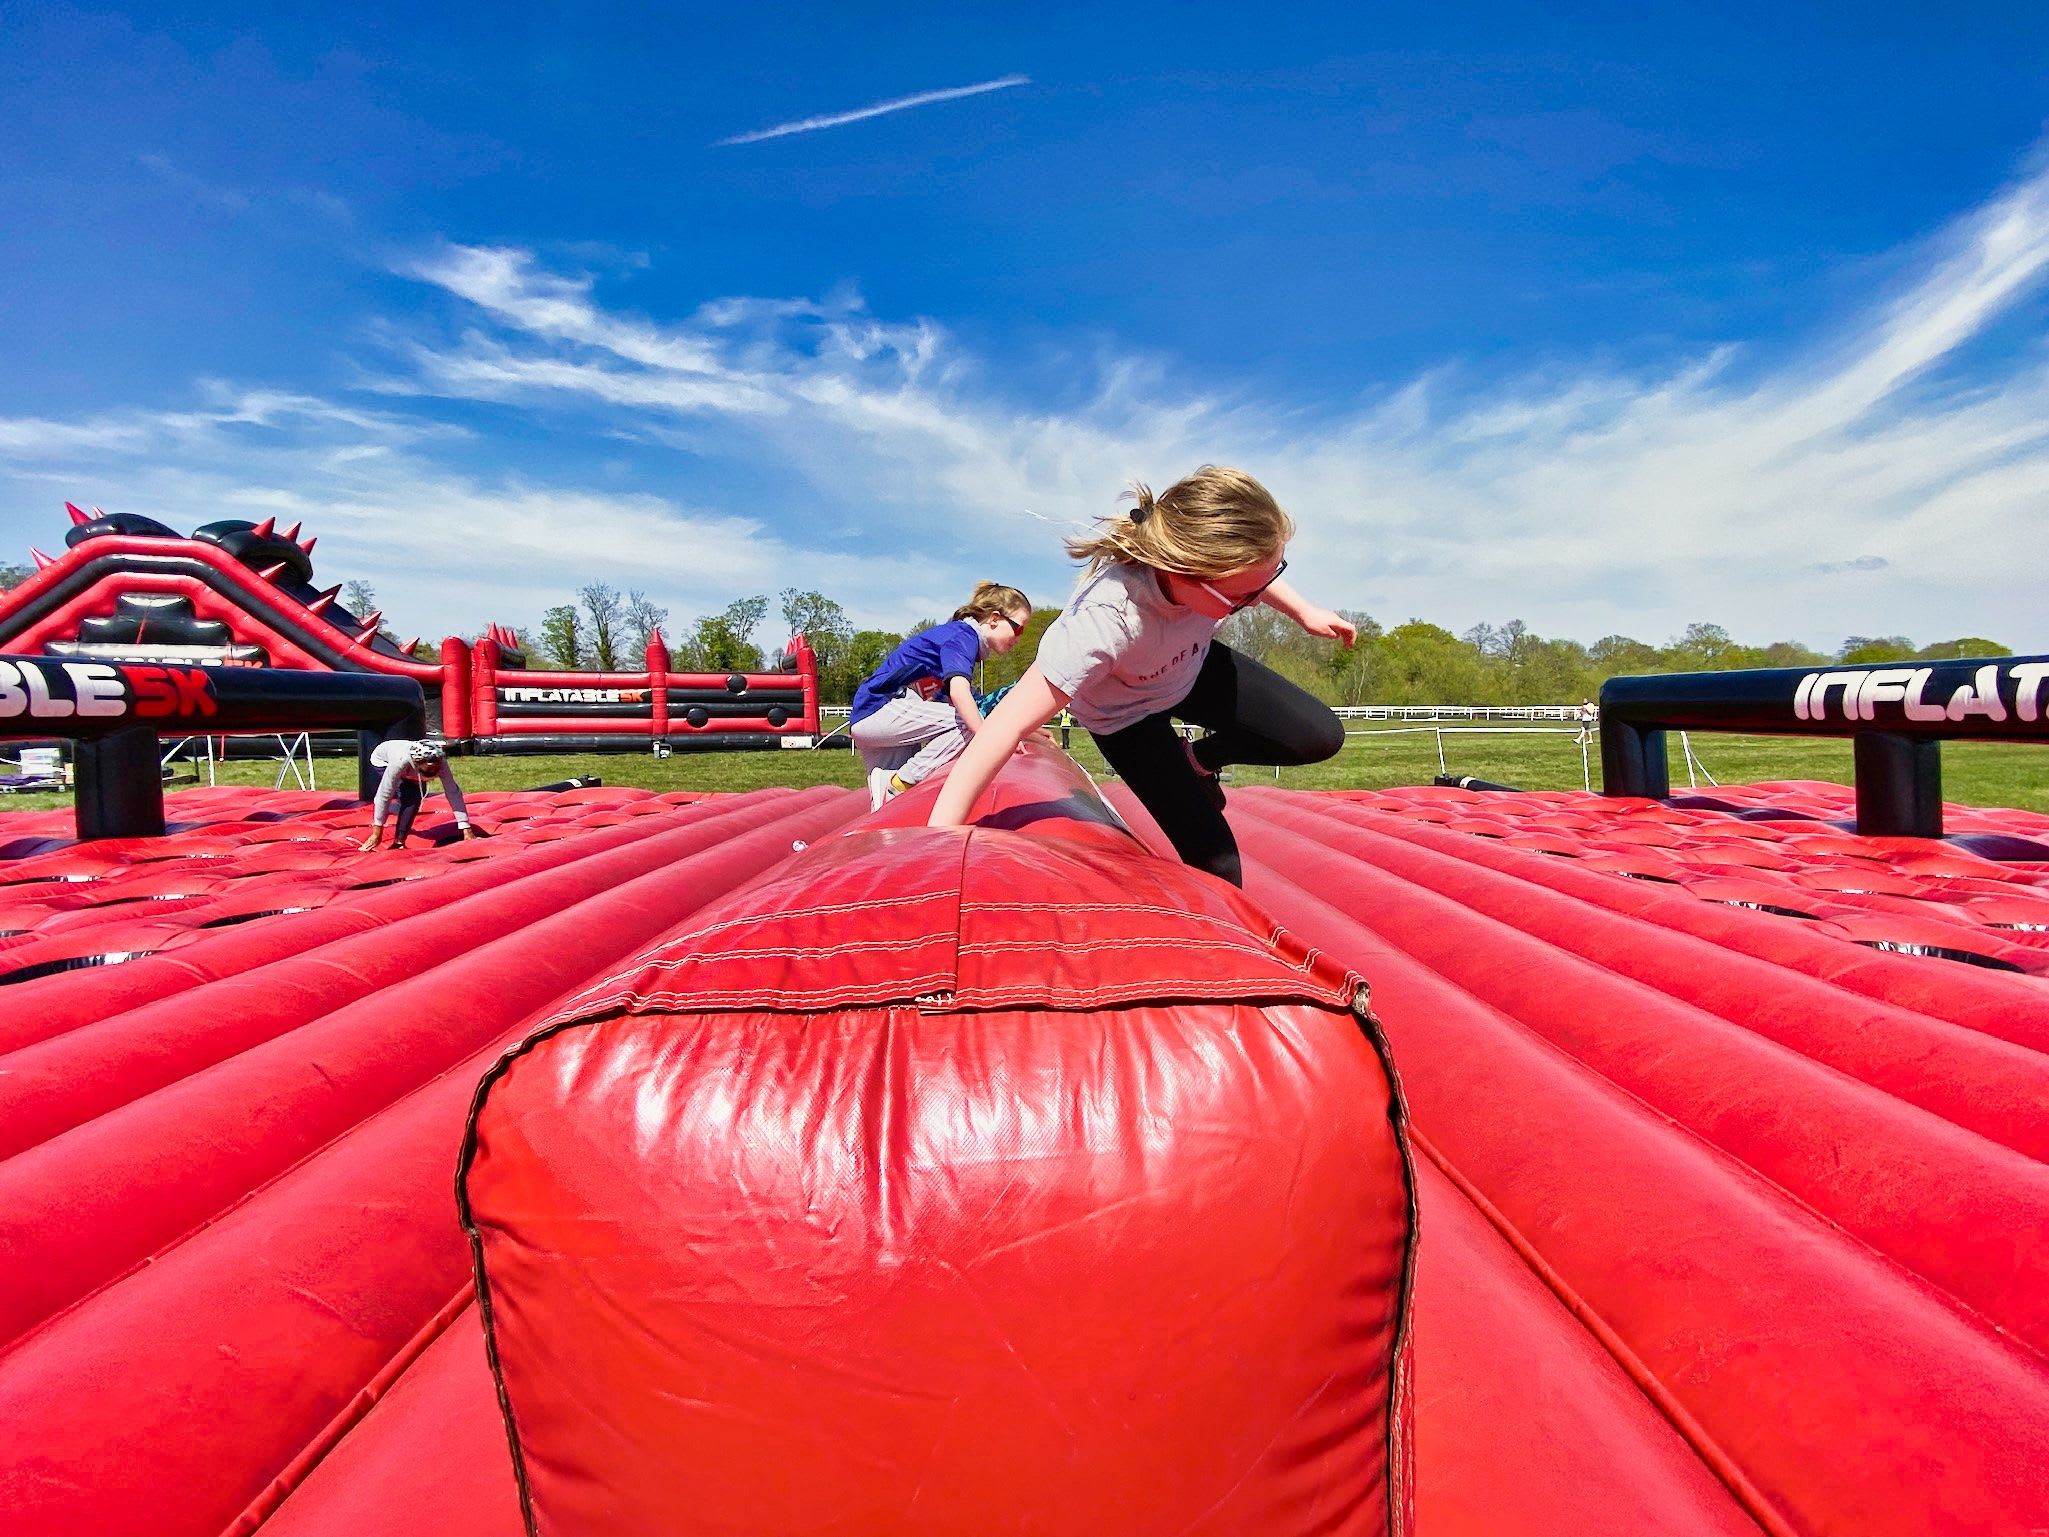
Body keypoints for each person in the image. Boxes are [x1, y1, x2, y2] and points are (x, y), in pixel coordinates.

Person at [927, 467, 1355, 886]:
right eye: (1243, 598)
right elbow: (1006, 725)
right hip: (1125, 717)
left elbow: (1252, 572)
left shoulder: (1216, 576)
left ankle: (1198, 761)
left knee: (1318, 735)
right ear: (1185, 571)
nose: (1256, 604)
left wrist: (1304, 612)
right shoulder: (1106, 620)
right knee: (1219, 863)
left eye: (1265, 584)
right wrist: (938, 839)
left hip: (1189, 668)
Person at [850, 582, 1032, 810]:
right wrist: (993, 738)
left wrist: (1026, 726)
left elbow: (964, 699)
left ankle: (894, 788)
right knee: (968, 722)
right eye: (1018, 629)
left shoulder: (958, 638)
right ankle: (904, 781)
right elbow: (960, 695)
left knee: (889, 809)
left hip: (872, 717)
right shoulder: (964, 636)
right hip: (881, 708)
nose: (1018, 638)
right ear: (994, 619)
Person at [359, 738, 486, 850]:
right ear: (417, 764)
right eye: (428, 772)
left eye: (434, 771)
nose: (432, 774)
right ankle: (399, 841)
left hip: (409, 762)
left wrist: (466, 828)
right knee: (412, 797)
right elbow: (383, 795)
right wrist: (377, 833)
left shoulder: (441, 762)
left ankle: (398, 824)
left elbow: (453, 792)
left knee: (413, 797)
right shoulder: (399, 762)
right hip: (382, 760)